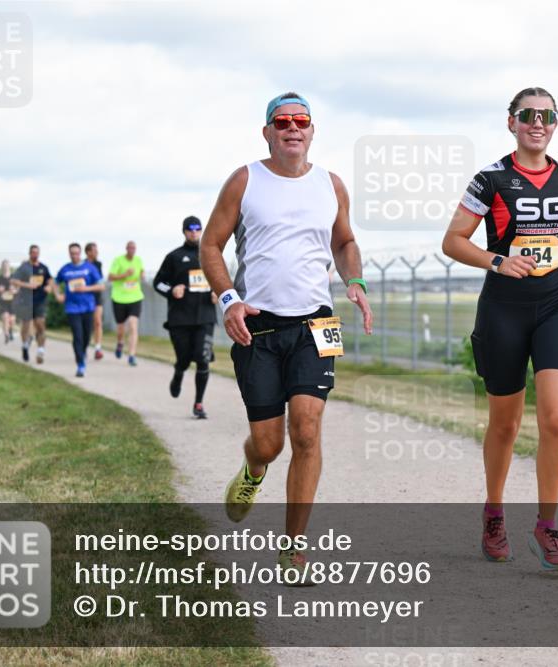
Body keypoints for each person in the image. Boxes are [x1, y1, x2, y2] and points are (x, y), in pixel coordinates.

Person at [200, 92, 373, 579]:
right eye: (282, 122)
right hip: (257, 324)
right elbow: (211, 245)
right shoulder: (245, 180)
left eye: (301, 121)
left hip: (317, 323)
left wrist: (355, 281)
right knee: (269, 443)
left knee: (308, 430)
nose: (293, 128)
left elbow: (345, 240)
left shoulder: (331, 185)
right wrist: (228, 300)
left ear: (312, 131)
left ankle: (293, 548)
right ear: (268, 132)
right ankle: (253, 470)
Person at [442, 87, 558, 573]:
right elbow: (453, 241)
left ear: (555, 123)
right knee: (506, 424)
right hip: (503, 310)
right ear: (511, 122)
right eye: (528, 114)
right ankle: (493, 513)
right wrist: (497, 261)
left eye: (547, 116)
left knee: (556, 419)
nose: (538, 123)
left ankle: (547, 526)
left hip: (556, 305)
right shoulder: (490, 179)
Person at [154, 217, 219, 418]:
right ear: (184, 231)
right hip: (180, 319)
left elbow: (222, 280)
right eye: (190, 229)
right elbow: (158, 282)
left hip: (205, 317)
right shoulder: (174, 257)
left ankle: (198, 404)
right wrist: (172, 290)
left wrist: (218, 292)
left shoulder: (211, 255)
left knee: (202, 359)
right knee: (183, 359)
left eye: (198, 229)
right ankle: (178, 373)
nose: (194, 232)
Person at [54, 243, 105, 377]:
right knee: (77, 335)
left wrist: (86, 288)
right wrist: (58, 295)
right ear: (69, 254)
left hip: (88, 306)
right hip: (72, 307)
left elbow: (101, 286)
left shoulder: (89, 268)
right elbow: (55, 282)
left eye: (76, 253)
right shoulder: (65, 269)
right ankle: (80, 364)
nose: (74, 256)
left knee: (86, 335)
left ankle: (83, 352)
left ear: (80, 253)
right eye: (72, 253)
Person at [12, 244, 53, 364]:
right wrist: (27, 285)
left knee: (40, 323)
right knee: (25, 325)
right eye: (33, 252)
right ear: (30, 253)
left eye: (37, 252)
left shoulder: (43, 268)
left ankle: (40, 351)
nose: (35, 254)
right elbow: (14, 280)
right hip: (26, 300)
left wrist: (49, 287)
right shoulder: (24, 267)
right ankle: (25, 345)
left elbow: (50, 280)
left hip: (40, 300)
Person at [108, 240, 144, 366]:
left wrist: (142, 275)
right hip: (119, 298)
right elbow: (110, 277)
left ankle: (132, 355)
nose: (132, 250)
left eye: (134, 248)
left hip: (135, 297)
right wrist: (125, 274)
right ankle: (120, 343)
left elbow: (141, 271)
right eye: (130, 248)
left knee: (133, 325)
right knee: (120, 328)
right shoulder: (118, 260)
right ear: (126, 249)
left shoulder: (138, 260)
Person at [85, 242, 105, 361]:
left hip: (97, 296)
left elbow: (100, 280)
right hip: (85, 297)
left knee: (98, 322)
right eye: (94, 250)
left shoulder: (98, 264)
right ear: (88, 252)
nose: (97, 252)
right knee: (87, 323)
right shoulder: (82, 264)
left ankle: (98, 348)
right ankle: (84, 347)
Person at [0, 260, 16, 343]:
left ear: (9, 266)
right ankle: (6, 335)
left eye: (6, 265)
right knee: (5, 317)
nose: (5, 267)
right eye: (4, 265)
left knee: (12, 320)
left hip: (13, 301)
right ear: (2, 267)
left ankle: (10, 331)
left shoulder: (14, 277)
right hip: (3, 302)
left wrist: (13, 290)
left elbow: (19, 289)